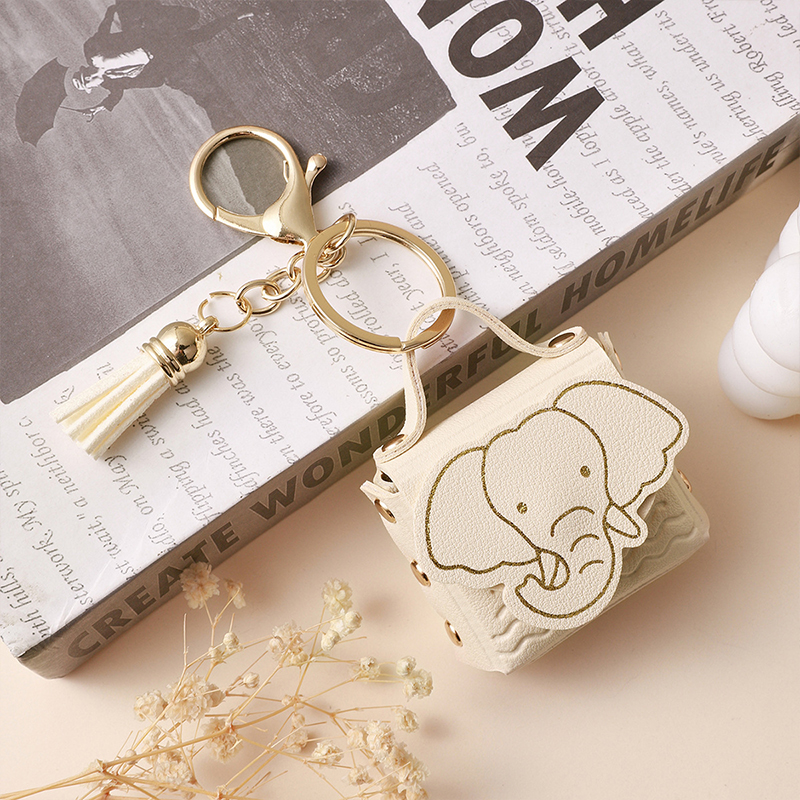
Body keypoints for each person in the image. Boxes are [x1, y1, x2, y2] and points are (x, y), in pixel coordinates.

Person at [72, 1, 254, 119]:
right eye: (90, 86)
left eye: (89, 84)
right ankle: (239, 14)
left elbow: (102, 33)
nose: (94, 85)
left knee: (191, 18)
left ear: (88, 76)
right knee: (199, 36)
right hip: (159, 57)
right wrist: (99, 108)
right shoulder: (109, 81)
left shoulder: (94, 54)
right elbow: (116, 94)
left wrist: (110, 13)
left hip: (148, 37)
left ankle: (237, 12)